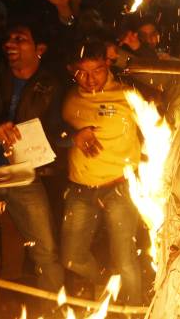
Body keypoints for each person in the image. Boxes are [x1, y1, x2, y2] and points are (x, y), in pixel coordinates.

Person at [60, 39, 142, 305]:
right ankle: (108, 286)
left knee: (125, 259)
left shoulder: (128, 95)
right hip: (80, 187)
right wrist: (73, 135)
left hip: (119, 186)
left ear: (107, 65)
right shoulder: (69, 95)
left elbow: (156, 124)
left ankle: (134, 311)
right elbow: (54, 131)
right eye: (82, 72)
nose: (89, 79)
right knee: (71, 257)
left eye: (96, 70)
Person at [0, 13, 65, 312]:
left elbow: (59, 129)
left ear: (40, 49)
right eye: (9, 39)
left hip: (24, 175)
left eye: (20, 39)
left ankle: (58, 310)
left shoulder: (52, 84)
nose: (11, 43)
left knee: (45, 250)